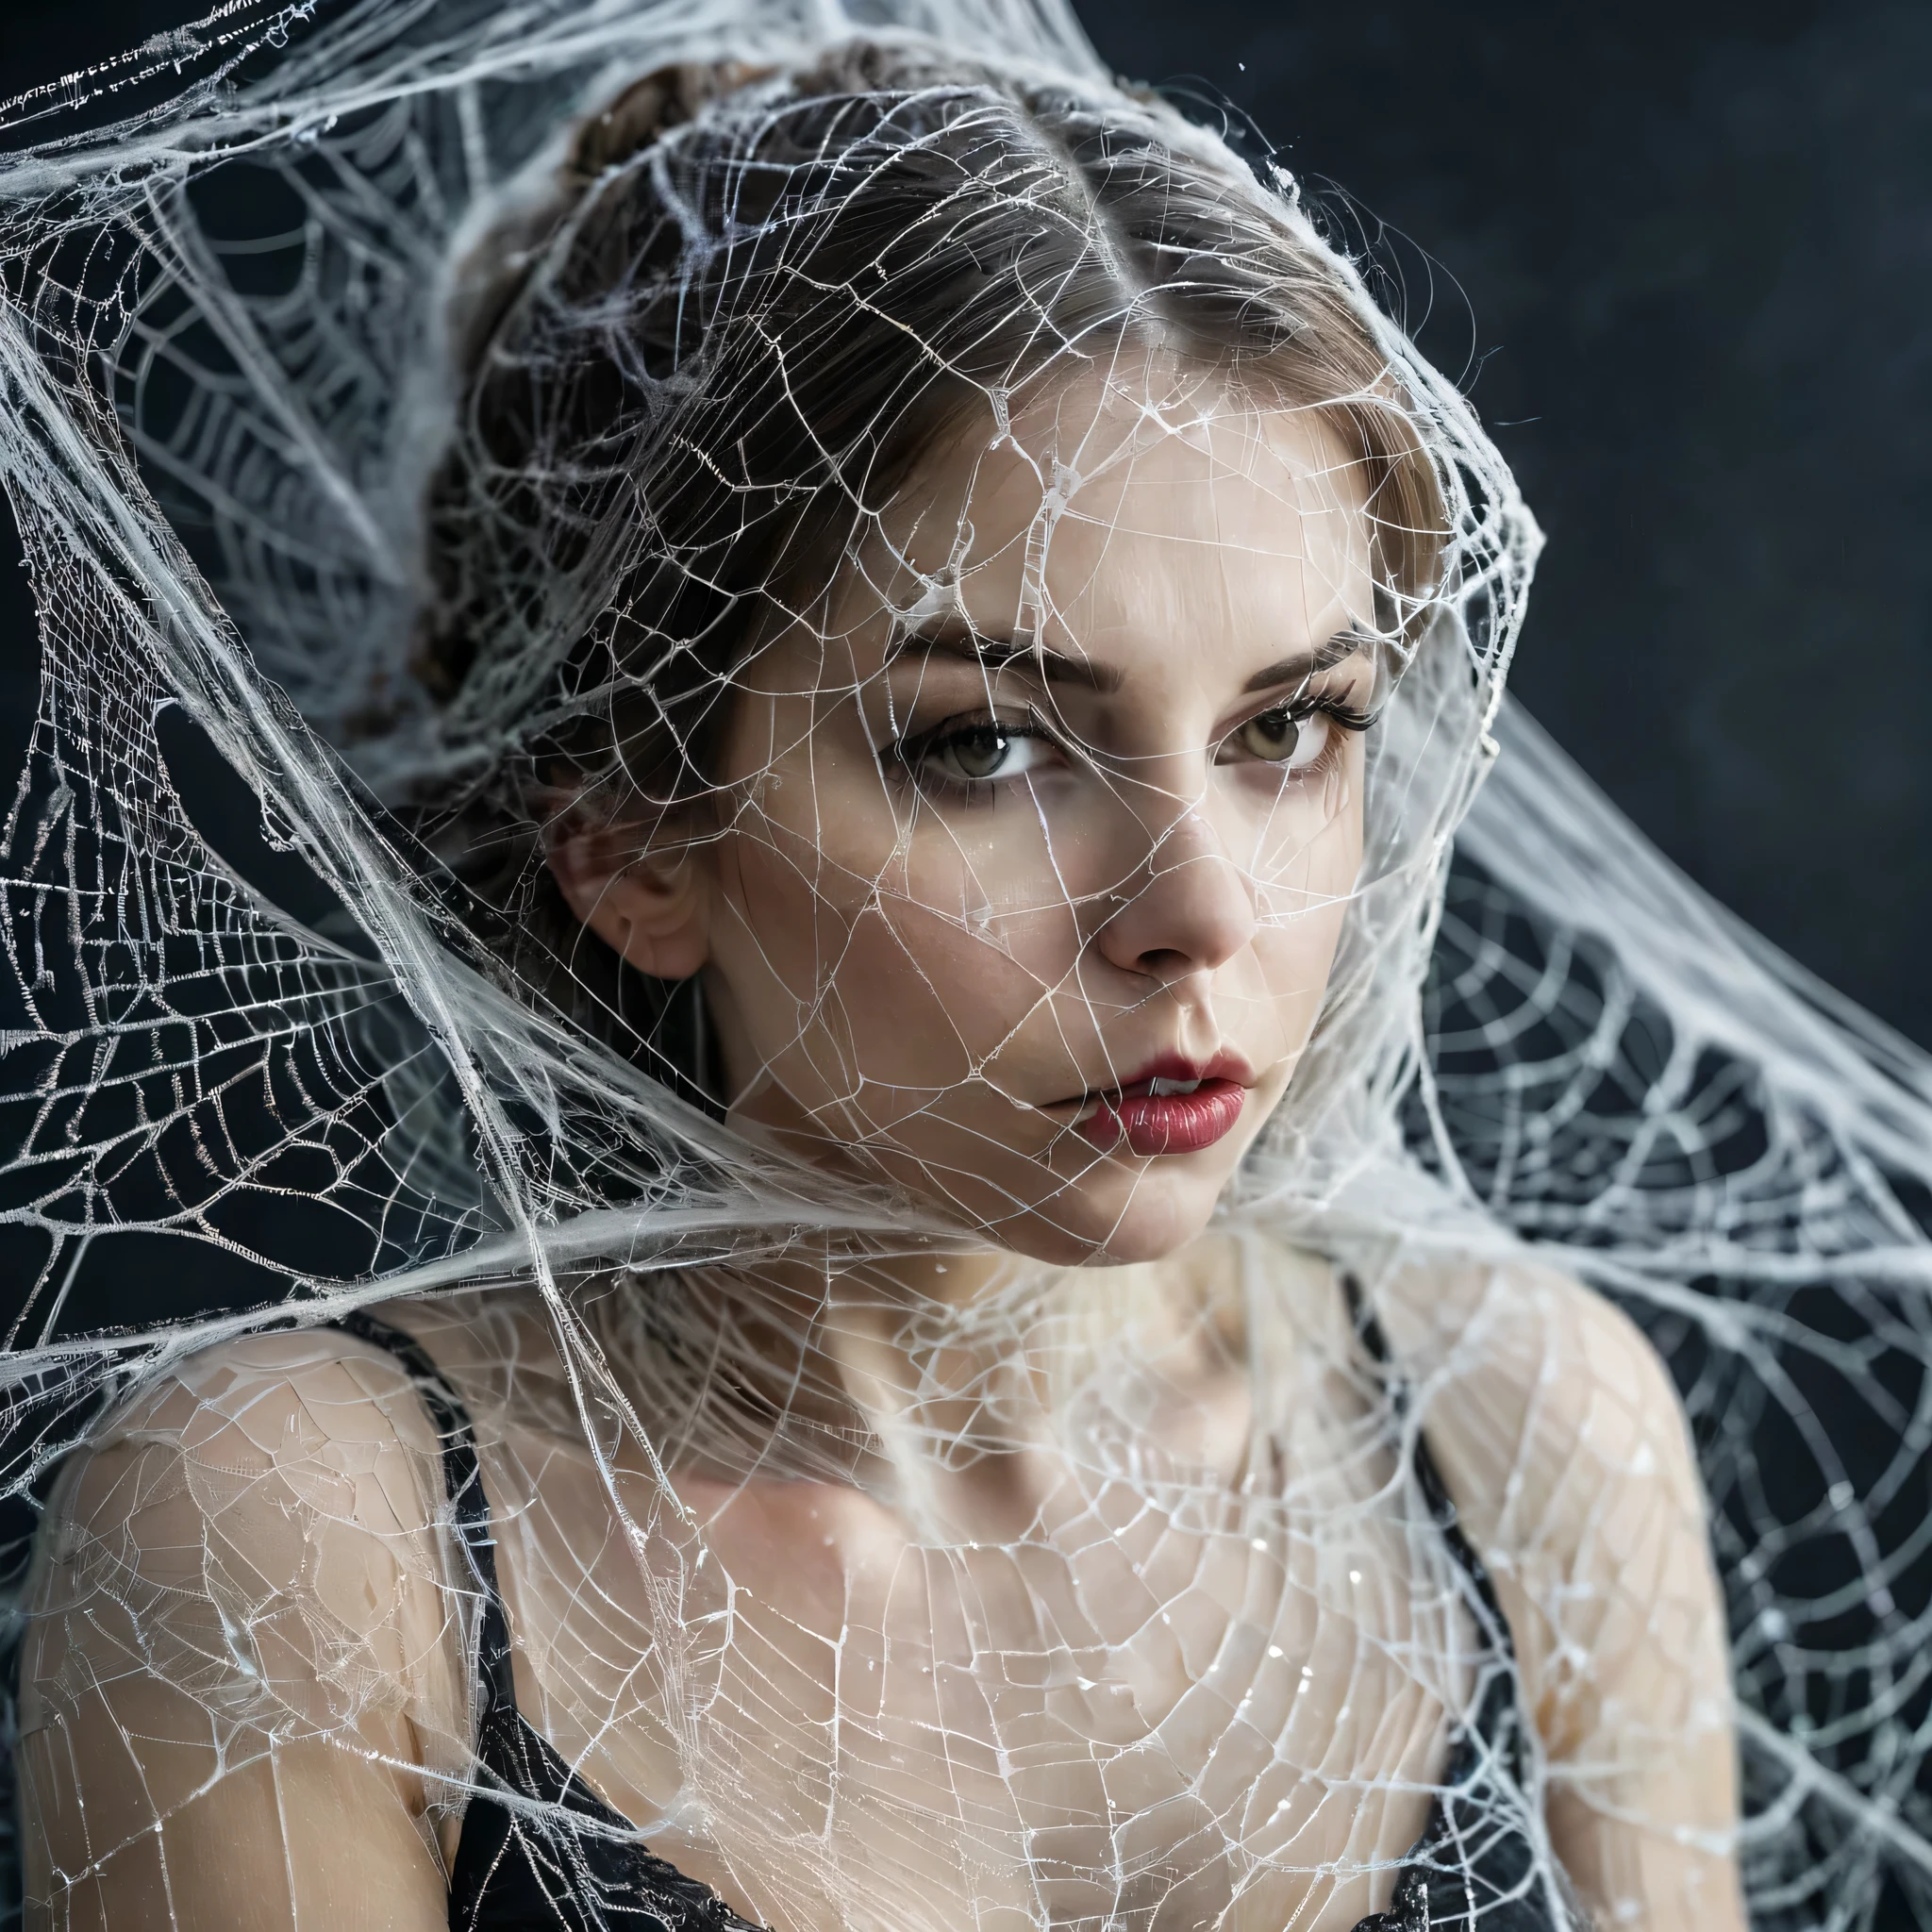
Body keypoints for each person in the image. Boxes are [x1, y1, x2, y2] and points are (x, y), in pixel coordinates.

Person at [31, 1, 1930, 1923]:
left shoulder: (1525, 1426)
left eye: (1289, 729)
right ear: (627, 845)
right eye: (985, 745)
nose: (1199, 910)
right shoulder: (312, 1533)